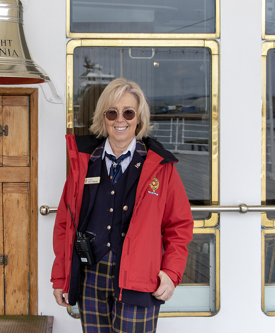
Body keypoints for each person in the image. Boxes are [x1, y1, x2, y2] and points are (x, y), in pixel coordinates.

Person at [51, 78, 194, 333]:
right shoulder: (84, 164)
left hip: (140, 280)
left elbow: (179, 225)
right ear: (103, 117)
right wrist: (61, 276)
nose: (120, 120)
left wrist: (171, 272)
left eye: (128, 112)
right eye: (112, 112)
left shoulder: (161, 168)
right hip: (91, 278)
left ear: (138, 118)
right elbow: (65, 223)